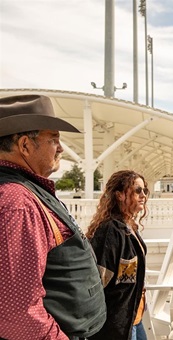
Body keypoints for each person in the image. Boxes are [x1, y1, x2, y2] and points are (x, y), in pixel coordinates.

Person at [0, 94, 106, 339]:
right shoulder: (18, 201)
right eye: (54, 139)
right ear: (25, 145)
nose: (61, 148)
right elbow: (18, 311)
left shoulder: (23, 192)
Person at [86, 170, 149, 340]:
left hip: (134, 318)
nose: (143, 195)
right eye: (137, 190)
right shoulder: (110, 231)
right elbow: (98, 282)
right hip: (116, 325)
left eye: (145, 191)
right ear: (120, 195)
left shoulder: (130, 227)